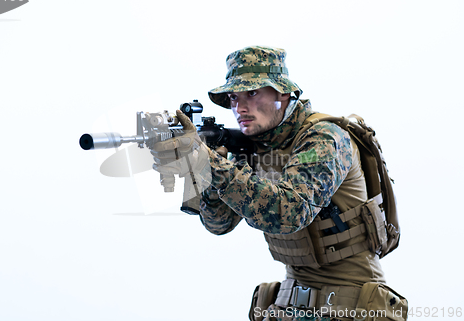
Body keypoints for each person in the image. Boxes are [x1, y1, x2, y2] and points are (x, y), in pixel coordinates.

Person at [151, 46, 406, 321]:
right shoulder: (255, 147)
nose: (240, 107)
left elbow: (289, 211)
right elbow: (219, 224)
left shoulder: (324, 139)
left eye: (252, 93)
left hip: (351, 305)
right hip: (289, 305)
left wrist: (208, 162)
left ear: (283, 93)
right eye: (234, 97)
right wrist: (202, 171)